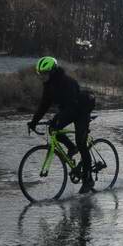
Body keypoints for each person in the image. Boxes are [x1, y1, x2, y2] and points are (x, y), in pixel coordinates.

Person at [27, 56, 97, 194]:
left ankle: (88, 180)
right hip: (69, 110)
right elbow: (44, 105)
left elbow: (72, 107)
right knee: (53, 129)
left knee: (81, 143)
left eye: (44, 74)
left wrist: (59, 119)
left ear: (52, 72)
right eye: (40, 74)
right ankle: (71, 148)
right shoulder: (48, 85)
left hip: (81, 109)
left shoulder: (66, 82)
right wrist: (34, 122)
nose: (42, 77)